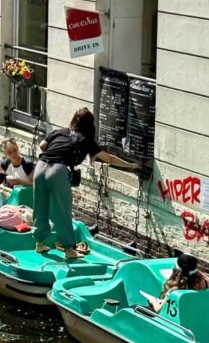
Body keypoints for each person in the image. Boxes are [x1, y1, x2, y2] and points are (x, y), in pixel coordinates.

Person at [33, 108, 141, 260]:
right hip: (58, 170)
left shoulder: (59, 131)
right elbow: (108, 158)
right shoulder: (86, 140)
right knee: (62, 211)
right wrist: (131, 166)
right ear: (90, 125)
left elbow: (43, 146)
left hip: (40, 166)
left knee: (40, 205)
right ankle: (69, 249)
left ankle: (39, 242)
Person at [144, 253, 209, 312]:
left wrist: (153, 302)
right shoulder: (204, 283)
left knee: (135, 307)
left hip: (179, 316)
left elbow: (158, 310)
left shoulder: (175, 290)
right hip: (196, 312)